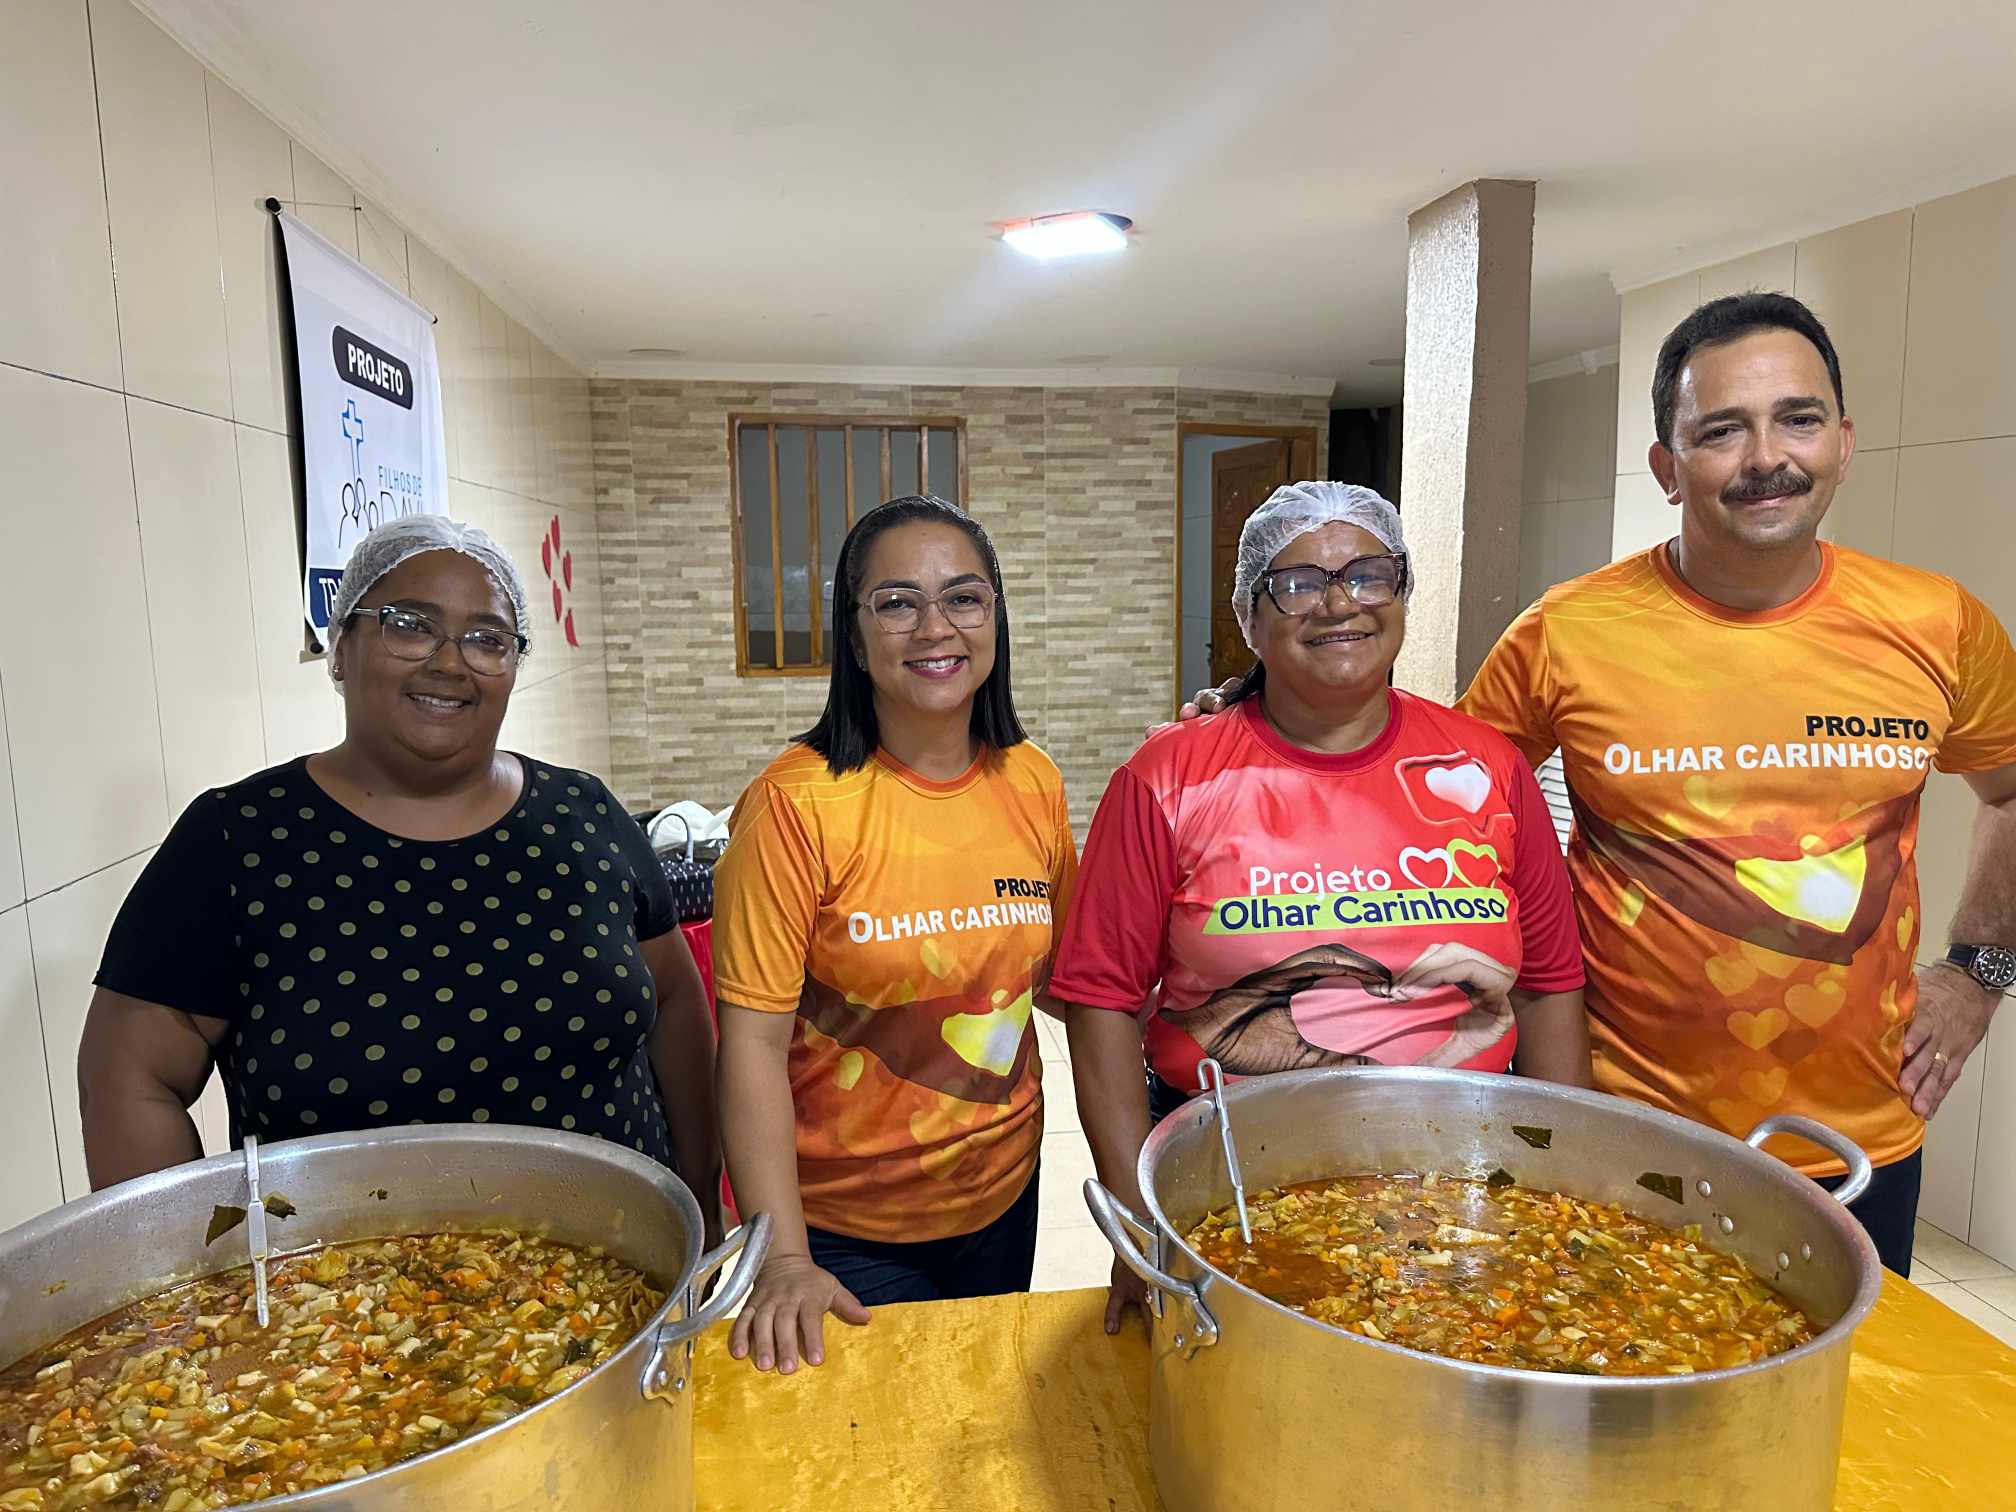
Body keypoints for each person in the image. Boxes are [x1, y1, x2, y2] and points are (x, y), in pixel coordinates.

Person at [1184, 295, 2016, 1275]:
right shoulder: (1571, 630)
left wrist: (1978, 973)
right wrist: (1261, 737)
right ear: (1667, 467)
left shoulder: (1937, 624)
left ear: (1843, 437)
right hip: (1613, 1127)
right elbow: (1418, 793)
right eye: (1721, 430)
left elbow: (2007, 790)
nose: (1765, 458)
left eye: (1796, 418)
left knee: (1836, 1413)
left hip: (1859, 1139)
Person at [1052, 482, 1591, 1334]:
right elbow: (1100, 1002)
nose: (1338, 602)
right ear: (1251, 618)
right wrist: (1136, 1224)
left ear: (1401, 593)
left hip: (1462, 1171)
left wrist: (1567, 1186)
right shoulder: (1168, 780)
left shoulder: (1489, 769)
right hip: (1223, 1180)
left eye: (1368, 574)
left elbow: (1550, 984)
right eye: (1297, 582)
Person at [80, 517, 721, 1213]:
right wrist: (196, 1280)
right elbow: (131, 1075)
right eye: (409, 625)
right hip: (343, 1303)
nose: (450, 663)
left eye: (487, 638)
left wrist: (695, 1205)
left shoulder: (586, 815)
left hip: (629, 1270)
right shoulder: (239, 841)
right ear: (342, 644)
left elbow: (676, 1004)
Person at [712, 495, 1077, 1374]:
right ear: (855, 629)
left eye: (963, 597)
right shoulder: (796, 804)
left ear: (995, 617)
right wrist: (785, 1258)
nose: (934, 627)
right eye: (896, 601)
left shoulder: (1032, 782)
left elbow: (1062, 982)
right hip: (843, 1231)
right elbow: (751, 1046)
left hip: (1001, 1196)